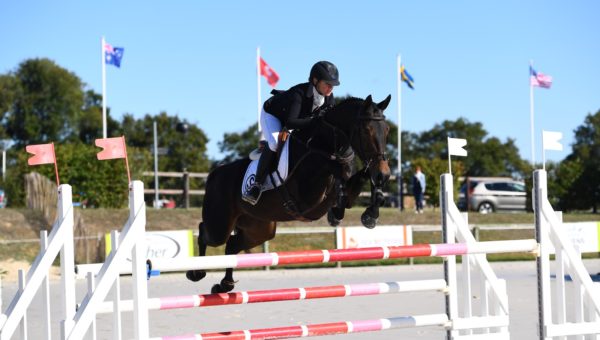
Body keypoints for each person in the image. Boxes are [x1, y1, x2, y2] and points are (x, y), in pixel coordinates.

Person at [242, 61, 340, 205]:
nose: (331, 87)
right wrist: (316, 122)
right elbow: (291, 123)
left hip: (296, 119)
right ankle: (256, 185)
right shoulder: (298, 94)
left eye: (333, 84)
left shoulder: (329, 99)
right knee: (275, 143)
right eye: (327, 83)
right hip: (273, 115)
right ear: (315, 80)